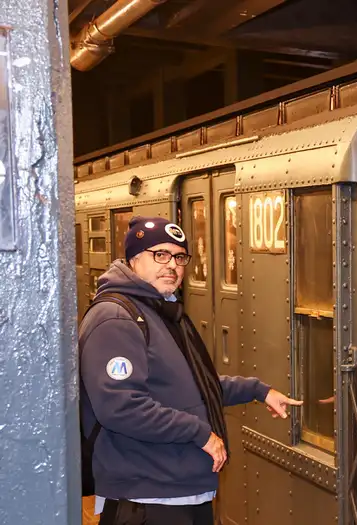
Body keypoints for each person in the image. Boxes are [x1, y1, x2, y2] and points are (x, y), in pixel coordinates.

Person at [79, 216, 302, 525]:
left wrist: (257, 390)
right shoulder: (117, 318)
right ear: (133, 259)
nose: (171, 264)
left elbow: (192, 386)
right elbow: (121, 407)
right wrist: (199, 433)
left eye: (179, 257)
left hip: (178, 492)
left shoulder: (162, 311)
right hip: (147, 497)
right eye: (160, 254)